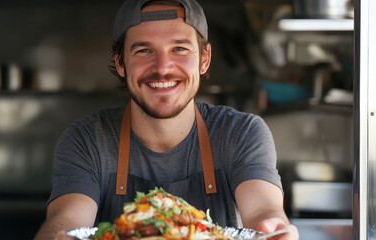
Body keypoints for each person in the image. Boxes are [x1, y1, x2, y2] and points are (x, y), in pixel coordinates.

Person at [34, 0, 299, 239]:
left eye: (179, 48)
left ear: (204, 60)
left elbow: (264, 209)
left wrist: (272, 227)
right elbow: (65, 221)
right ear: (120, 64)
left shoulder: (241, 132)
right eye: (143, 51)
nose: (162, 67)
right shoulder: (87, 140)